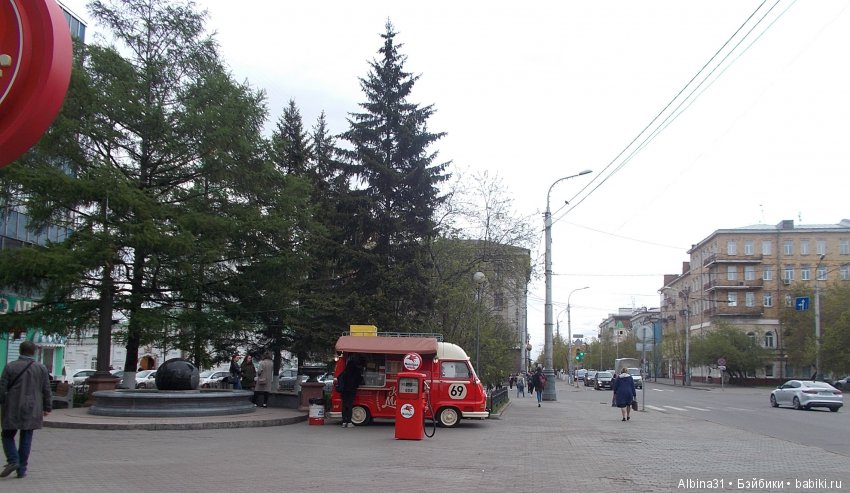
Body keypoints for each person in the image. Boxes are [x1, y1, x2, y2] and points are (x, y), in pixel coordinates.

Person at [0, 340, 52, 479]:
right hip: (33, 407)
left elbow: (2, 388)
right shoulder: (41, 368)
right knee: (26, 437)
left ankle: (13, 460)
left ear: (20, 350)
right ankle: (21, 469)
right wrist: (47, 407)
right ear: (34, 352)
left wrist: (2, 402)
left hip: (12, 406)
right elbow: (46, 389)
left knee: (7, 435)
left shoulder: (10, 366)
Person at [339, 358, 364, 428]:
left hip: (344, 391)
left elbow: (339, 378)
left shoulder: (344, 372)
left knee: (344, 405)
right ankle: (349, 422)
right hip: (352, 390)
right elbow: (360, 381)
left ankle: (344, 422)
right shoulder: (356, 373)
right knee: (349, 405)